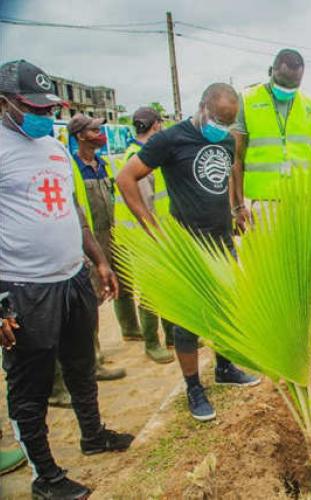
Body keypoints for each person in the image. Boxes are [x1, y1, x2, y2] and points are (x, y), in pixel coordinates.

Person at [0, 59, 133, 499]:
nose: (42, 115)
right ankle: (45, 476)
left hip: (73, 277)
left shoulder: (56, 149)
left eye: (47, 107)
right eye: (31, 107)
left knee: (81, 365)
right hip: (23, 287)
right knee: (30, 384)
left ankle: (93, 436)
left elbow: (72, 211)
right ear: (4, 103)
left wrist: (98, 261)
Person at [117, 83, 261, 422]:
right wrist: (151, 227)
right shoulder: (171, 139)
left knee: (226, 305)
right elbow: (126, 178)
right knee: (188, 322)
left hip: (222, 238)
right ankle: (193, 387)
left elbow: (226, 176)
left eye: (228, 122)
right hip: (188, 243)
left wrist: (237, 207)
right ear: (201, 108)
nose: (221, 128)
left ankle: (225, 367)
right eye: (217, 120)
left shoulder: (225, 139)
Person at [231, 49, 311, 231]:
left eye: (293, 85)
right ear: (271, 71)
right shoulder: (248, 100)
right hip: (264, 202)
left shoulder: (310, 106)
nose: (286, 89)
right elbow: (235, 155)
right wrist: (237, 205)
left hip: (305, 200)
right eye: (282, 83)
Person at [67, 114, 128, 381]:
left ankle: (131, 328)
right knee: (89, 301)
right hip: (88, 238)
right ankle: (94, 360)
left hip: (112, 233)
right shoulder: (72, 168)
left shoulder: (104, 165)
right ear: (80, 135)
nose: (99, 134)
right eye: (94, 130)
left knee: (124, 282)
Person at [111, 106, 174, 364]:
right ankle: (152, 342)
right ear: (156, 125)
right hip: (145, 235)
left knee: (169, 286)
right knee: (151, 292)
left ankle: (173, 334)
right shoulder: (140, 157)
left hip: (155, 233)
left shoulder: (142, 153)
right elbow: (145, 202)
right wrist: (155, 233)